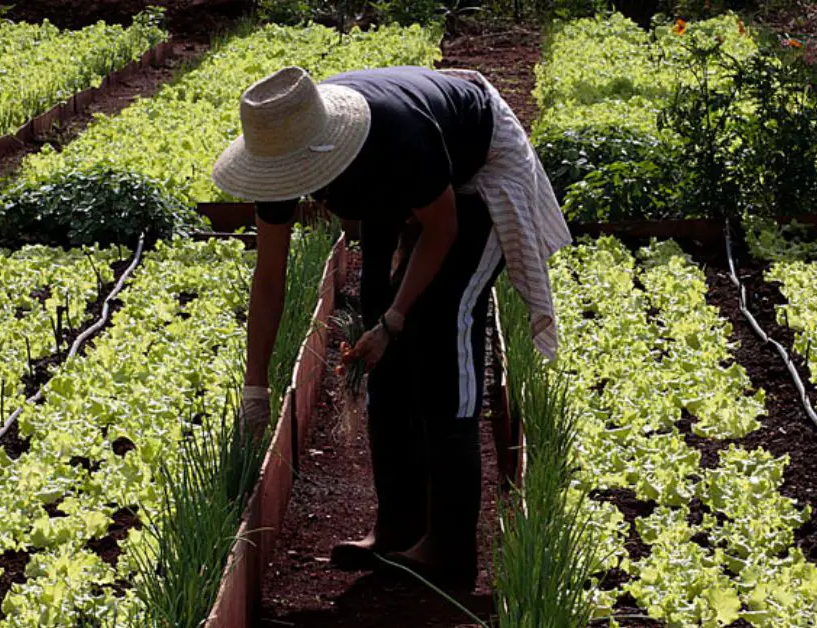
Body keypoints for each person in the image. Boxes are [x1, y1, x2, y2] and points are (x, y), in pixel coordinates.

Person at [212, 65, 569, 586]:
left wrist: (395, 320)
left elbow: (442, 229)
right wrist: (255, 388)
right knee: (382, 346)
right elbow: (269, 280)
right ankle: (397, 526)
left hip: (476, 171)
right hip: (393, 181)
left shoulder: (395, 136)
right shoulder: (282, 151)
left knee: (445, 325)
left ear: (321, 154)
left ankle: (450, 550)